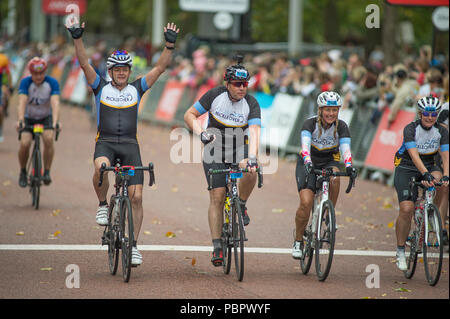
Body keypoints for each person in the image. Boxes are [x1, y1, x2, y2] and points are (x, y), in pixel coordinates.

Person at [66, 20, 179, 266]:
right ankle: (102, 205)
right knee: (100, 168)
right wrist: (77, 39)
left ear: (129, 71)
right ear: (110, 71)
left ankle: (134, 245)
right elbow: (84, 63)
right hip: (105, 142)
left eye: (125, 69)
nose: (121, 72)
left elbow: (160, 68)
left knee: (137, 197)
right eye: (117, 69)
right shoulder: (100, 87)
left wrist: (169, 45)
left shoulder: (137, 88)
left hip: (130, 146)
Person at [184, 56, 261, 267]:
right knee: (217, 196)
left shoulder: (251, 103)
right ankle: (217, 245)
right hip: (214, 148)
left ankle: (242, 204)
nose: (242, 88)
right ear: (227, 84)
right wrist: (200, 132)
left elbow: (254, 131)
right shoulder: (215, 95)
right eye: (237, 84)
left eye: (245, 84)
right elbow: (189, 114)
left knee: (251, 170)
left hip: (239, 146)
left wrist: (252, 157)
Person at [292, 91, 356, 259]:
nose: (331, 114)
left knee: (335, 177)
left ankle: (328, 214)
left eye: (334, 110)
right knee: (306, 203)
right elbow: (304, 146)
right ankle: (298, 241)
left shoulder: (341, 126)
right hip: (309, 161)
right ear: (320, 110)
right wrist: (307, 162)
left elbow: (345, 148)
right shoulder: (309, 124)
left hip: (329, 160)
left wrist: (349, 165)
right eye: (328, 110)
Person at [393, 96, 449, 271]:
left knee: (441, 182)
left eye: (434, 114)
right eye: (426, 113)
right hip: (407, 165)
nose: (430, 117)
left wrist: (447, 175)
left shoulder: (442, 130)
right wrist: (423, 173)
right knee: (407, 209)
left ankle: (431, 213)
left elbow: (446, 155)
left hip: (430, 164)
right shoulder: (410, 129)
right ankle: (401, 250)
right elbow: (414, 154)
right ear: (420, 113)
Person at [16, 57, 61, 187]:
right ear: (31, 73)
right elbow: (22, 102)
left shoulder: (52, 83)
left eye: (41, 73)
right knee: (25, 143)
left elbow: (55, 102)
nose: (38, 76)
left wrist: (56, 121)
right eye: (35, 73)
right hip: (28, 117)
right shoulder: (26, 82)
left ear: (45, 72)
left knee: (48, 138)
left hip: (45, 117)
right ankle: (23, 172)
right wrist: (20, 120)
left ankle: (46, 171)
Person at [0, 50, 13, 142]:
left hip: (1, 86)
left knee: (0, 111)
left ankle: (0, 129)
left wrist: (10, 86)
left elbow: (8, 74)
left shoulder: (3, 60)